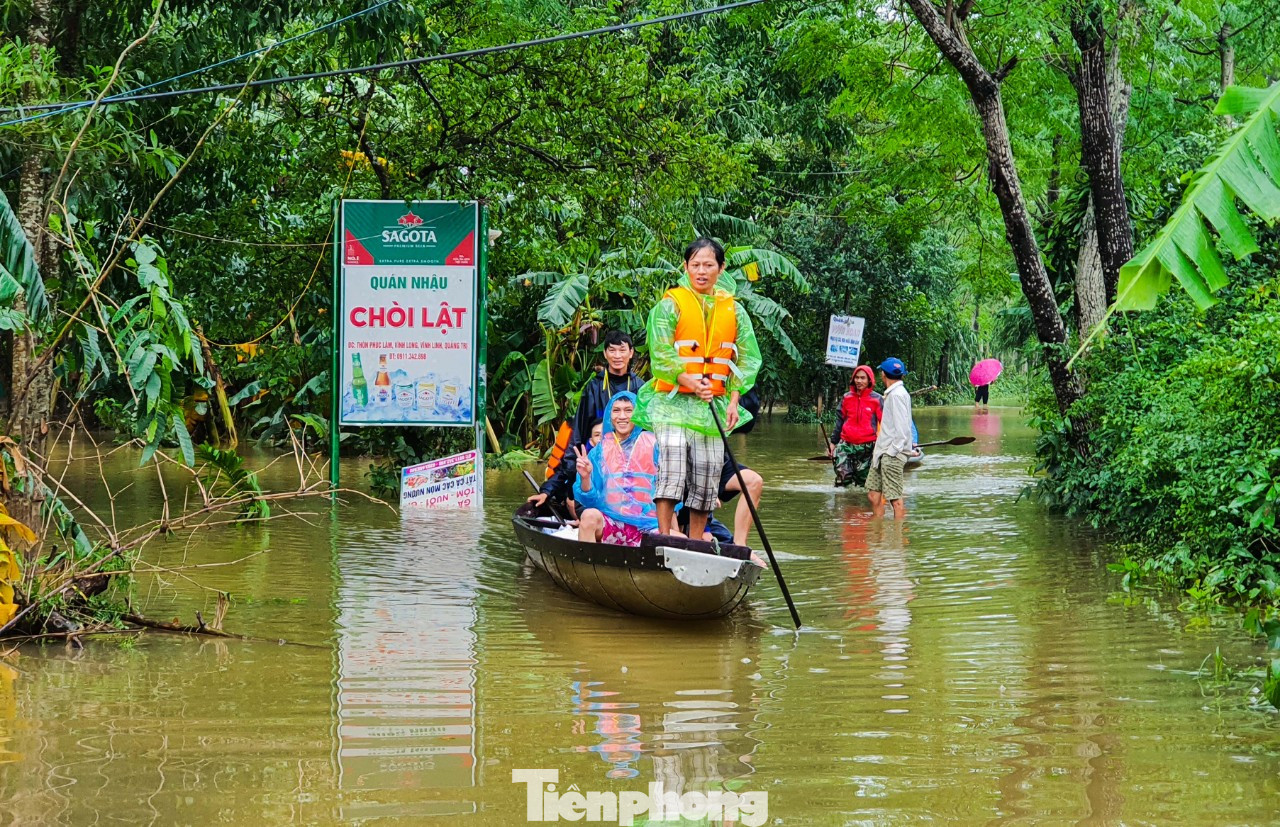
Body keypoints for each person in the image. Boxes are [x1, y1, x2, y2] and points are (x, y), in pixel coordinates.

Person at [635, 237, 761, 542]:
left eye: (708, 265)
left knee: (707, 474)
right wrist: (691, 382)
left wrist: (733, 400)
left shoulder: (735, 311)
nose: (701, 271)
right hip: (672, 402)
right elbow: (661, 353)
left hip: (712, 404)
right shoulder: (670, 305)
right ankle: (666, 535)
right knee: (673, 466)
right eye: (695, 265)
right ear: (686, 266)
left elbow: (747, 359)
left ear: (721, 268)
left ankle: (695, 542)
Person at [574, 392, 660, 545]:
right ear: (610, 415)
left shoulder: (654, 444)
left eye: (628, 410)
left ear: (637, 414)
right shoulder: (599, 451)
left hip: (649, 526)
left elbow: (670, 493)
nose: (622, 416)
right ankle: (588, 560)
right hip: (613, 524)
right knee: (588, 516)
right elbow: (589, 500)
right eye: (616, 410)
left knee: (682, 541)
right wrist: (585, 477)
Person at [867, 357, 914, 520]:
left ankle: (897, 533)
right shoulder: (895, 394)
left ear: (883, 374)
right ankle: (878, 529)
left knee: (895, 500)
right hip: (883, 451)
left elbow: (902, 429)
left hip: (891, 453)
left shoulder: (896, 395)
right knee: (873, 495)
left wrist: (892, 452)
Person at [527, 419, 603, 515]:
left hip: (608, 507)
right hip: (582, 507)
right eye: (597, 435)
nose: (601, 439)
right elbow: (562, 473)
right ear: (591, 441)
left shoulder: (618, 457)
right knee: (571, 497)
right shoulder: (582, 458)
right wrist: (545, 492)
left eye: (604, 435)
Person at [828, 364, 881, 488]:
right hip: (846, 444)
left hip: (868, 447)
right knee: (843, 478)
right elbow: (839, 421)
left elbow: (885, 424)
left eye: (863, 378)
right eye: (856, 377)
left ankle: (858, 500)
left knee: (863, 482)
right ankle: (842, 499)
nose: (859, 381)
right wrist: (833, 443)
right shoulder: (846, 397)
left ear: (869, 380)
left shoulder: (877, 399)